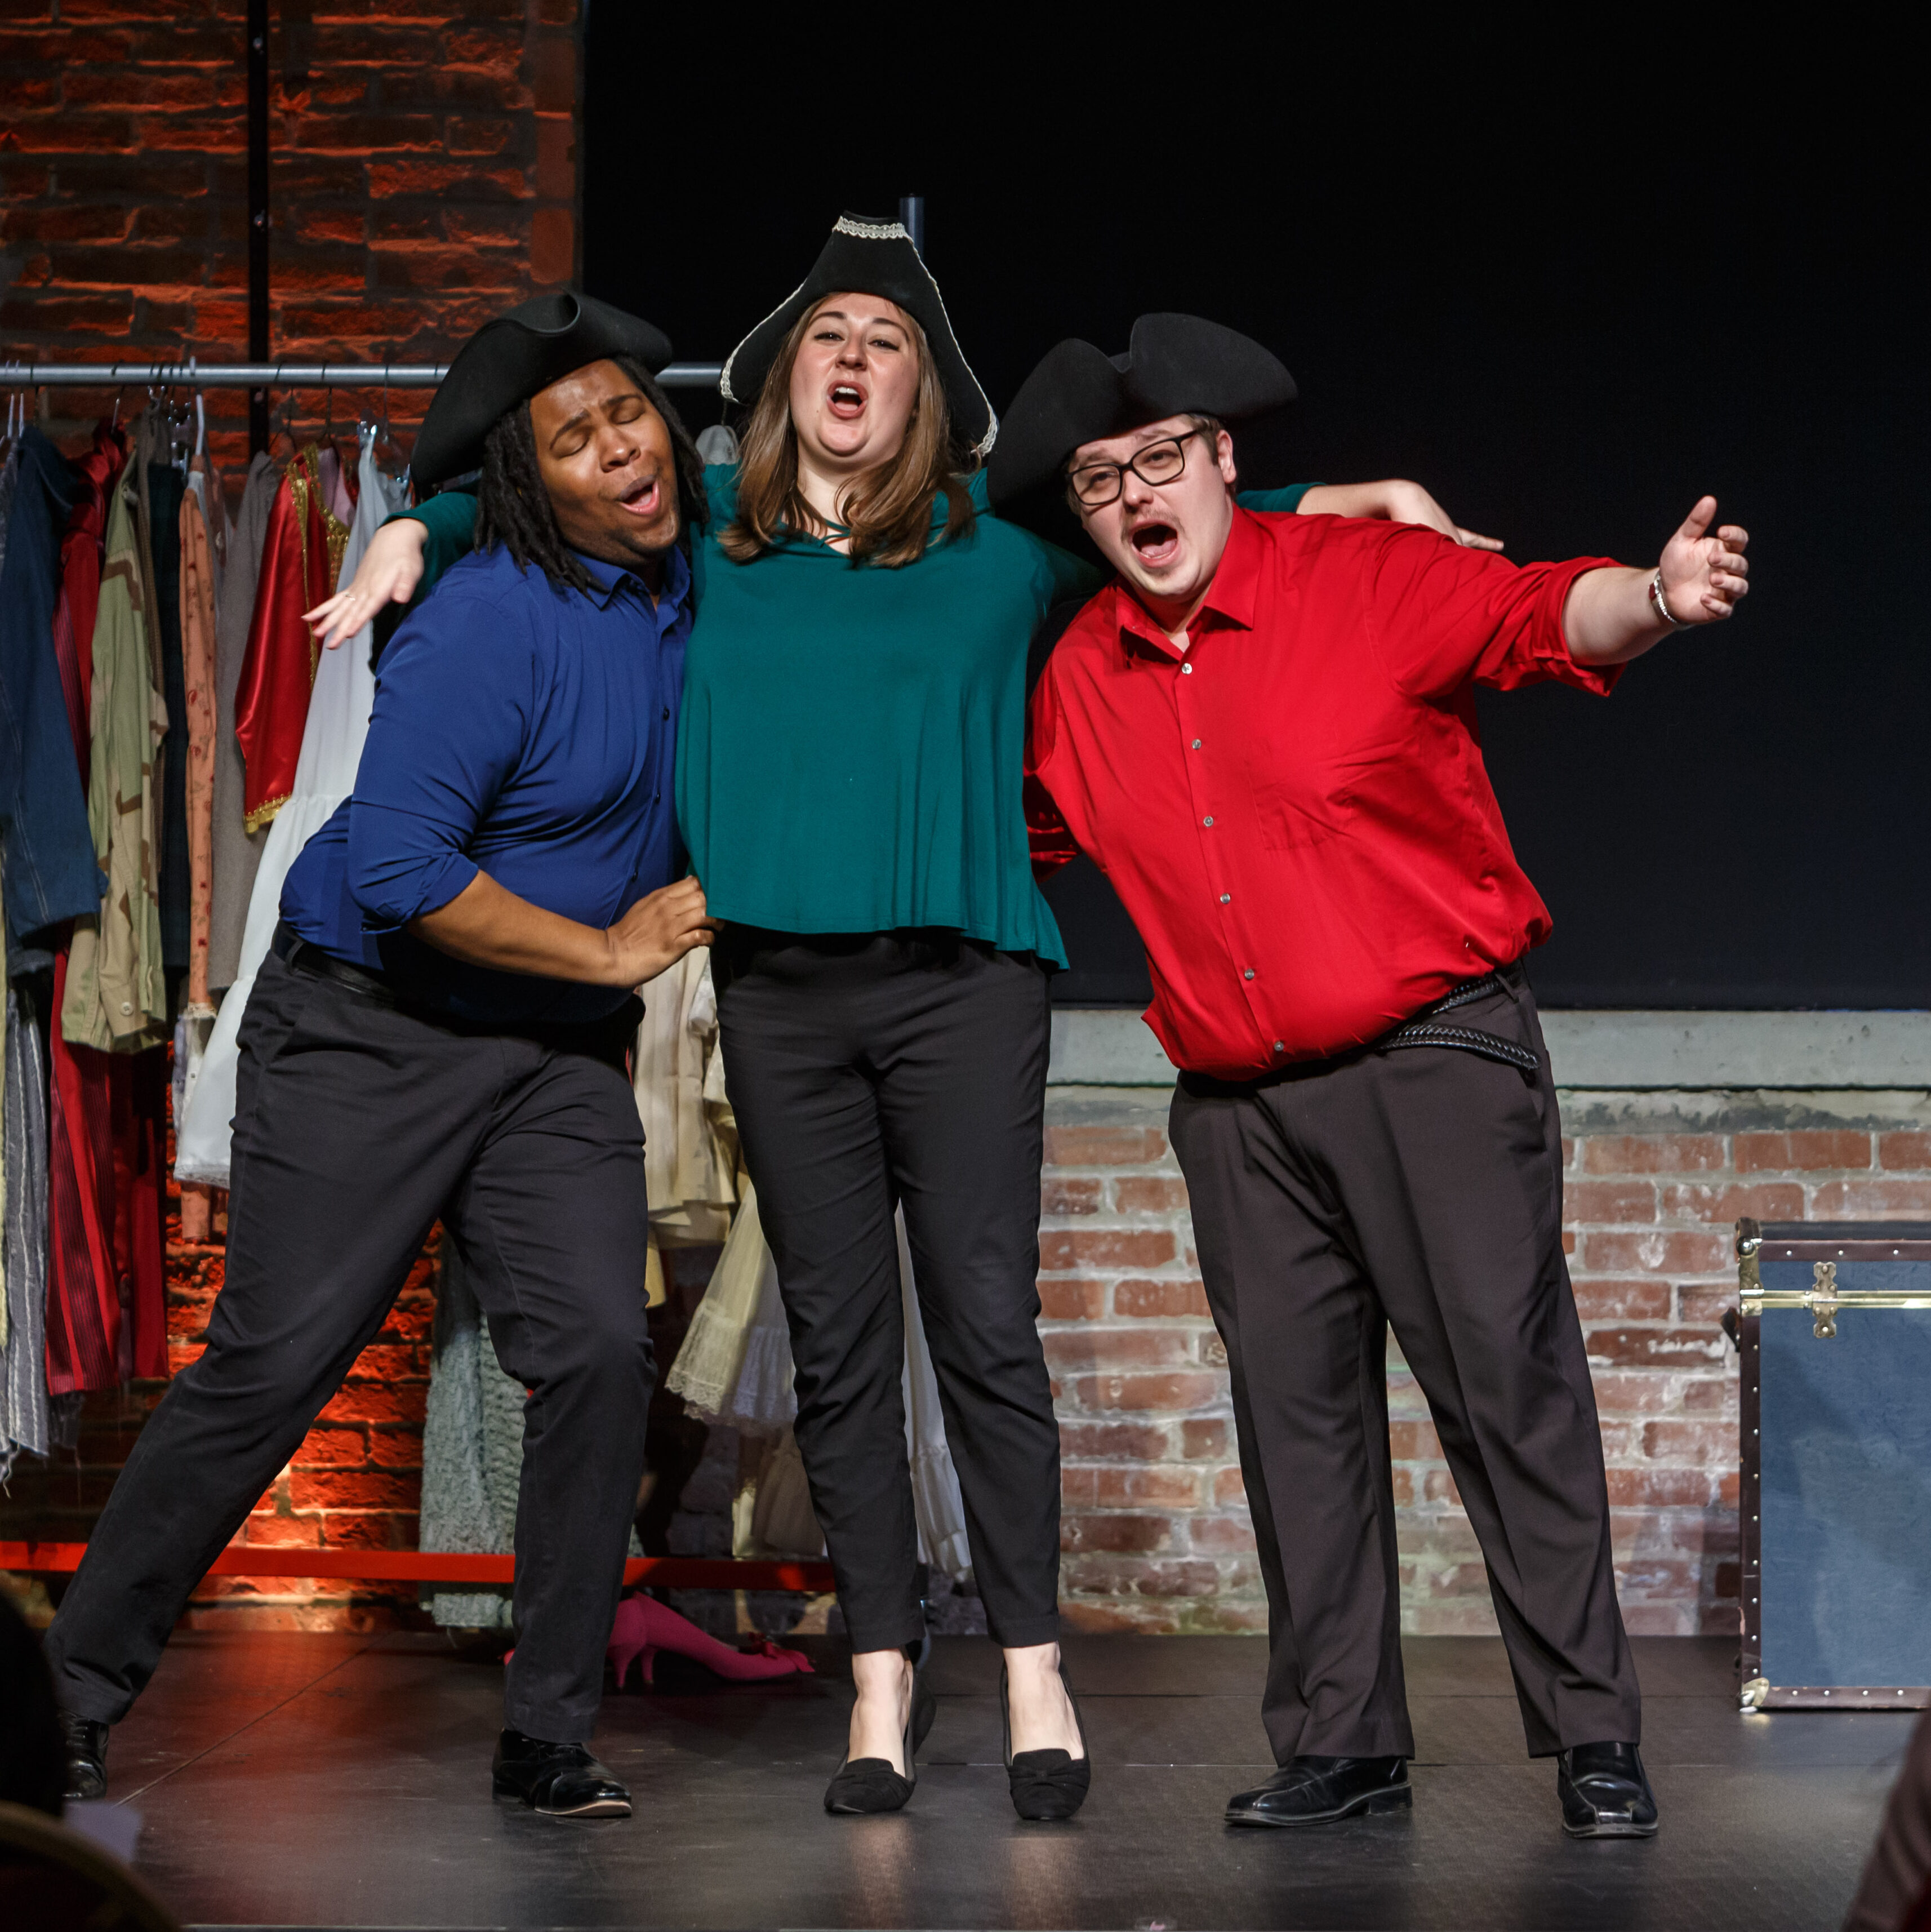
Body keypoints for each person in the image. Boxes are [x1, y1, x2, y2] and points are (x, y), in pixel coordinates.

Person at [317, 220, 1490, 1822]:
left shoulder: (999, 550)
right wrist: (416, 532)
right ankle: (879, 1680)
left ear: (923, 387)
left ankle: (1028, 1669)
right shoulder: (711, 562)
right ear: (783, 388)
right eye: (825, 335)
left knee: (987, 1331)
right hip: (781, 997)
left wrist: (1360, 500)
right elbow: (543, 505)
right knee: (844, 1352)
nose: (854, 355)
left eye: (885, 336)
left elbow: (1195, 524)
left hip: (963, 986)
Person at [996, 313, 1750, 1837]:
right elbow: (1013, 829)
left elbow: (1549, 616)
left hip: (1432, 1057)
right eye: (1098, 480)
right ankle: (1344, 1743)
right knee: (1296, 1422)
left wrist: (1656, 600)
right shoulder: (1079, 673)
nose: (1136, 494)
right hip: (1237, 1110)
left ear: (1223, 467)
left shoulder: (1367, 581)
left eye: (1159, 459)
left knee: (1504, 1389)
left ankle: (1590, 1735)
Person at [45, 293, 717, 1820]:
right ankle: (66, 1696)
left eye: (631, 414)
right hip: (375, 1025)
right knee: (275, 1365)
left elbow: (893, 504)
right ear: (532, 482)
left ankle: (546, 1733)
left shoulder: (696, 580)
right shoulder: (488, 618)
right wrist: (616, 950)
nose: (619, 447)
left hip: (548, 1056)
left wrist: (1291, 505)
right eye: (574, 434)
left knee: (601, 1353)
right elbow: (406, 866)